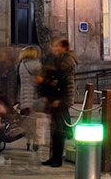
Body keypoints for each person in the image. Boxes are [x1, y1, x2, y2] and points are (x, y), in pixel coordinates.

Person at [41, 38, 77, 168]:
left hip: (61, 99)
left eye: (56, 46)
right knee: (55, 129)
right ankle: (54, 157)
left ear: (63, 47)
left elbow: (63, 82)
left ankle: (57, 158)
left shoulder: (66, 61)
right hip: (56, 98)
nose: (53, 48)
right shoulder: (58, 60)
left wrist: (60, 100)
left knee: (59, 130)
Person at [17, 46, 44, 153]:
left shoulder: (21, 65)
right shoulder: (35, 65)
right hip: (34, 95)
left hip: (24, 95)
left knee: (28, 120)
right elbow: (40, 80)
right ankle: (36, 141)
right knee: (37, 120)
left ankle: (28, 140)